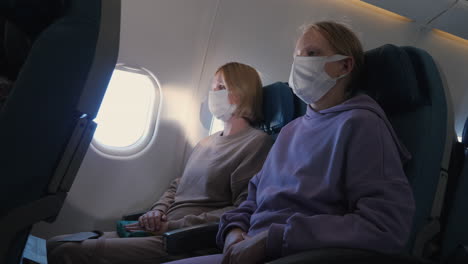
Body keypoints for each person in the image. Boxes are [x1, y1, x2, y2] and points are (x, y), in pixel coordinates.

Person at [164, 21, 415, 264]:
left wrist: (272, 239)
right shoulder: (289, 131)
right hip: (250, 249)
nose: (299, 63)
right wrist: (234, 231)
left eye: (312, 53)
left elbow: (385, 225)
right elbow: (253, 199)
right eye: (297, 56)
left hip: (302, 256)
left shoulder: (361, 125)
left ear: (344, 66)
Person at [47, 62, 274, 264]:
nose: (212, 94)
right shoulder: (206, 143)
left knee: (66, 252)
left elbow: (241, 209)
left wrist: (173, 226)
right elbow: (177, 186)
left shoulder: (256, 143)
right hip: (160, 228)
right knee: (56, 243)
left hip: (185, 239)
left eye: (221, 87)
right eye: (212, 87)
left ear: (243, 92)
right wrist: (156, 212)